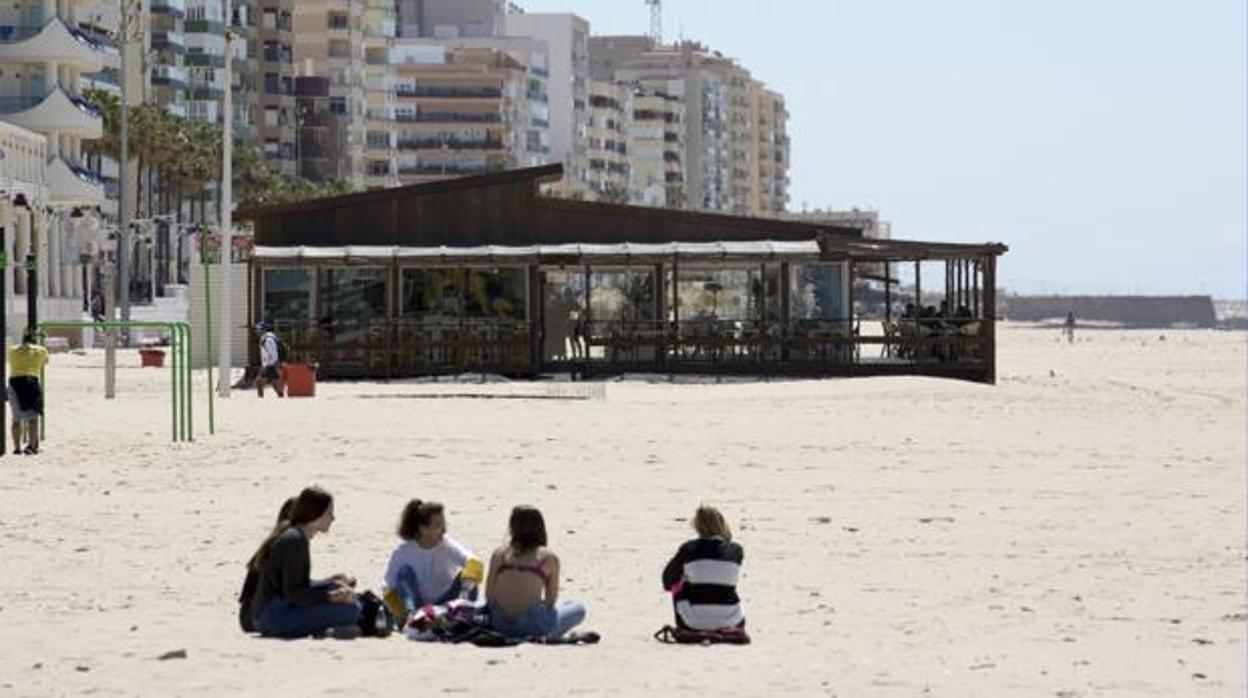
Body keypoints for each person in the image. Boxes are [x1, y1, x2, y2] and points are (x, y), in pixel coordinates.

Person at [247, 486, 361, 638]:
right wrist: (332, 596)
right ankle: (321, 630)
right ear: (316, 514)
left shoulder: (295, 535)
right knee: (351, 610)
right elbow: (294, 593)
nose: (333, 518)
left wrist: (331, 582)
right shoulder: (295, 540)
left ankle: (320, 628)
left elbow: (296, 585)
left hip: (270, 613)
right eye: (329, 513)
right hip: (272, 618)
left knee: (343, 594)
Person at [485, 505, 586, 640]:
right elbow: (551, 601)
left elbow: (489, 596)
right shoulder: (548, 558)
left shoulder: (499, 554)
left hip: (499, 624)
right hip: (531, 625)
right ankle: (552, 635)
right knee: (577, 608)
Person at [383, 500, 479, 616]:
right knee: (404, 572)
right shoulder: (403, 552)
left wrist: (470, 576)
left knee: (469, 576)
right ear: (422, 528)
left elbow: (472, 561)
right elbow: (388, 587)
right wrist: (399, 611)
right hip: (417, 606)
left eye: (443, 524)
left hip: (445, 604)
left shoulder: (447, 545)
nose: (443, 529)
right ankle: (410, 616)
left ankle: (461, 616)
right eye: (438, 525)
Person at [661, 504, 745, 631]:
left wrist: (684, 578)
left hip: (693, 622)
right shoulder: (736, 550)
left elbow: (667, 582)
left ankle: (686, 624)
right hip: (732, 619)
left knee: (679, 584)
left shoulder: (689, 549)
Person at [238, 496, 297, 632]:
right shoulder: (287, 543)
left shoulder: (272, 541)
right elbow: (293, 589)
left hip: (247, 615)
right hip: (257, 617)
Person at [8, 330, 48, 455]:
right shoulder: (40, 350)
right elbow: (45, 361)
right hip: (30, 381)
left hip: (14, 382)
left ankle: (16, 448)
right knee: (32, 418)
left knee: (16, 419)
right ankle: (32, 446)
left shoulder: (12, 350)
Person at [255, 322, 285, 398]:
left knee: (259, 382)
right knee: (274, 383)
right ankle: (281, 397)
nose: (257, 331)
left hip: (270, 364)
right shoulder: (266, 338)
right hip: (271, 364)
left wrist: (269, 365)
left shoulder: (268, 340)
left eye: (258, 329)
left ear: (263, 330)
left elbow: (273, 353)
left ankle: (260, 399)